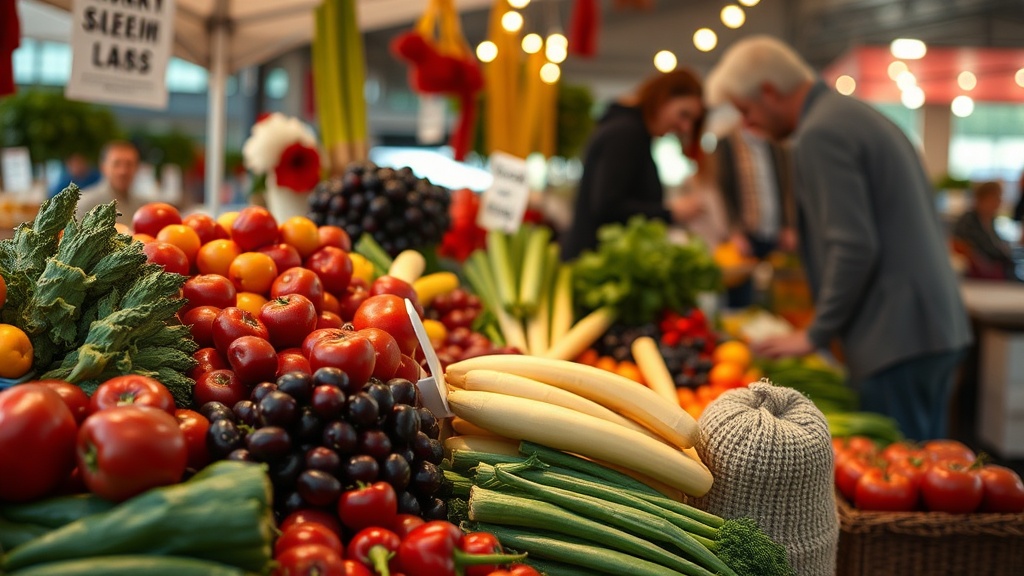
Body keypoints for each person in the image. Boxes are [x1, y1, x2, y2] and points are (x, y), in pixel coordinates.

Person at [705, 35, 971, 441]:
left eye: (746, 110)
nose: (747, 125)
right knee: (928, 462)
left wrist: (814, 334)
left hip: (895, 337)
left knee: (899, 462)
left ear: (769, 92)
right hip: (929, 327)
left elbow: (853, 246)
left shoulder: (820, 132)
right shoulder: (852, 115)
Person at [560, 68, 705, 261]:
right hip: (597, 261)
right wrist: (670, 213)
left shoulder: (631, 132)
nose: (685, 127)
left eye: (692, 121)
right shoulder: (626, 134)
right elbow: (607, 206)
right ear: (662, 99)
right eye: (683, 114)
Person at [713, 125, 797, 307]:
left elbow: (786, 184)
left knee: (778, 300)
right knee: (742, 301)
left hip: (776, 234)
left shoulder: (774, 140)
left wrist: (788, 224)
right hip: (745, 238)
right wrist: (734, 231)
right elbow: (722, 188)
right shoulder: (727, 142)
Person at [952, 180, 1018, 281]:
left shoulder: (990, 220)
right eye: (995, 198)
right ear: (982, 199)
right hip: (981, 274)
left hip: (998, 269)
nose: (999, 202)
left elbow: (995, 244)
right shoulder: (968, 220)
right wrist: (982, 263)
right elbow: (959, 244)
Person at [78, 140, 142, 226]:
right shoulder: (84, 204)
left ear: (137, 168)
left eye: (129, 164)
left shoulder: (143, 207)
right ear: (103, 167)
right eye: (116, 164)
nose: (123, 171)